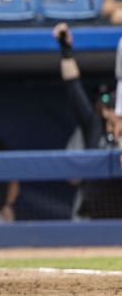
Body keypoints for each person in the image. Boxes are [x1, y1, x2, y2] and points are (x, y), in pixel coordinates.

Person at [53, 22, 122, 219]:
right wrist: (66, 51)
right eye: (105, 105)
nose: (108, 110)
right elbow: (74, 87)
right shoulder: (94, 125)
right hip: (93, 215)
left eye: (113, 105)